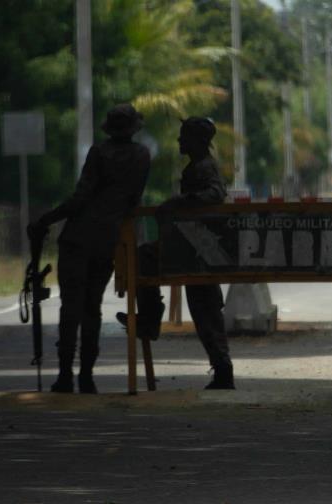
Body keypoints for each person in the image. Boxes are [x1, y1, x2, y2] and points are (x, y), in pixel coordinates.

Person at [28, 103, 150, 394]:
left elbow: (80, 198)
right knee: (92, 309)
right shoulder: (142, 156)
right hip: (106, 241)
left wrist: (45, 220)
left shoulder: (99, 153)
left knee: (71, 308)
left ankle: (64, 375)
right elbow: (133, 199)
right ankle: (86, 375)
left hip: (78, 239)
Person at [116, 116, 234, 390]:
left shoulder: (205, 167)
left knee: (205, 312)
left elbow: (216, 194)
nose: (180, 140)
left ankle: (150, 318)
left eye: (184, 136)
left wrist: (179, 202)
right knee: (204, 311)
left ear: (198, 140)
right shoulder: (196, 166)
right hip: (189, 246)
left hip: (197, 249)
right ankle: (150, 317)